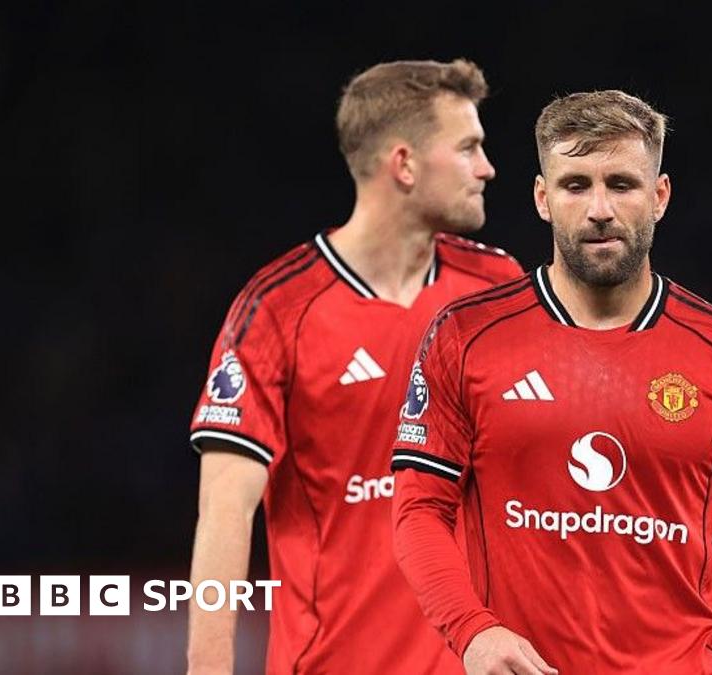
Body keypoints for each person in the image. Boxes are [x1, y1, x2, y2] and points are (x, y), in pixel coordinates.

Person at [390, 90, 712, 674]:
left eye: (621, 184)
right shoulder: (465, 339)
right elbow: (417, 512)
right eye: (575, 185)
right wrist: (473, 632)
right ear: (543, 198)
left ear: (659, 196)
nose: (599, 209)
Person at [186, 59, 522, 675]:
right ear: (404, 164)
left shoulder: (497, 290)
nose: (487, 168)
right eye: (469, 147)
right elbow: (225, 514)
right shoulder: (278, 309)